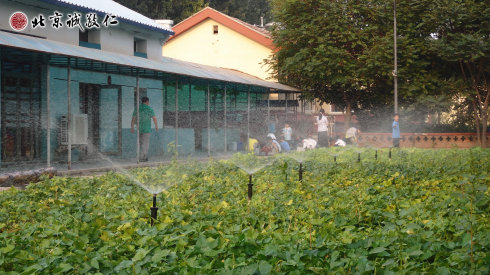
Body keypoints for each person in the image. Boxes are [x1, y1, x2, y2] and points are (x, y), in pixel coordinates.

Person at [131, 97, 158, 162]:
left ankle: (140, 156)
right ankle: (143, 158)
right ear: (147, 101)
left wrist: (132, 127)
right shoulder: (149, 109)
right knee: (145, 144)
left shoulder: (137, 108)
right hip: (146, 129)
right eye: (148, 102)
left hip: (139, 129)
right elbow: (154, 118)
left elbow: (133, 119)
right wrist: (156, 126)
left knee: (140, 143)